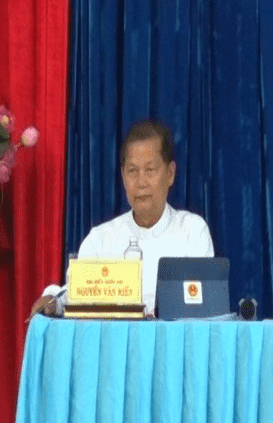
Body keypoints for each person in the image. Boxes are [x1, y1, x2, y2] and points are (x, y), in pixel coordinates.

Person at [30, 120, 213, 316]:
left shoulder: (192, 231)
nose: (141, 182)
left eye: (150, 170)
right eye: (132, 171)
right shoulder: (100, 239)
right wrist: (52, 301)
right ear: (123, 177)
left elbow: (203, 303)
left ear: (170, 174)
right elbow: (76, 292)